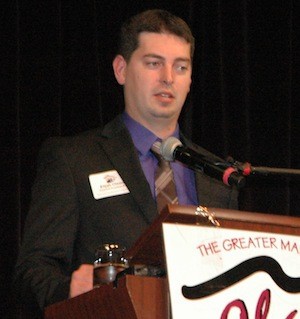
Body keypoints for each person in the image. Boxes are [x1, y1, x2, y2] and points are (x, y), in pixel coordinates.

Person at [14, 9, 238, 315]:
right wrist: (68, 289)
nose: (168, 78)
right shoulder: (72, 159)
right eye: (153, 63)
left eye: (181, 67)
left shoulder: (217, 175)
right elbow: (32, 271)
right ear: (121, 70)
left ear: (190, 79)